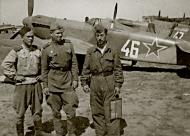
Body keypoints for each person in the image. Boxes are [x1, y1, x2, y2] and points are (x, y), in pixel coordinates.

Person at [81, 24, 124, 136]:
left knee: (112, 111)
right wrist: (84, 83)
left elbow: (118, 69)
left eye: (101, 35)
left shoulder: (113, 51)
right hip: (94, 82)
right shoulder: (90, 51)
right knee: (97, 111)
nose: (99, 38)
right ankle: (100, 133)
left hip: (109, 81)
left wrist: (118, 85)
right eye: (97, 35)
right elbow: (85, 68)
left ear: (106, 36)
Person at [1, 26, 44, 136]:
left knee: (37, 112)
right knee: (20, 113)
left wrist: (42, 75)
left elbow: (45, 65)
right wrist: (14, 76)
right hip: (22, 85)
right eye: (28, 37)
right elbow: (5, 65)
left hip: (36, 84)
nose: (31, 39)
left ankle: (38, 133)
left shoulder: (38, 50)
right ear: (22, 37)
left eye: (32, 37)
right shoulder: (17, 51)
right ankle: (20, 134)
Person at [41, 23, 79, 136]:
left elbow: (74, 63)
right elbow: (44, 69)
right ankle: (59, 133)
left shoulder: (69, 45)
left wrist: (75, 79)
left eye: (61, 33)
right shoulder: (46, 49)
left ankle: (71, 133)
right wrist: (45, 86)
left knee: (71, 111)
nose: (60, 35)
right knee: (56, 112)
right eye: (57, 33)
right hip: (53, 84)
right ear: (51, 34)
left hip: (67, 82)